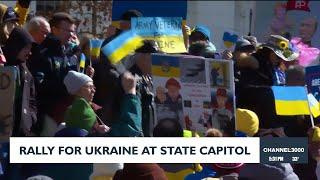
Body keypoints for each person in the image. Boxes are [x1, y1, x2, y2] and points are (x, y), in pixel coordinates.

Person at [36, 12, 79, 136]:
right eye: (67, 30)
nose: (71, 35)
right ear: (54, 29)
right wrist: (64, 85)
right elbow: (39, 83)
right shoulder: (43, 53)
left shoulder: (67, 52)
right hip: (48, 114)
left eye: (73, 31)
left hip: (65, 112)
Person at [55, 71, 110, 137]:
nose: (94, 90)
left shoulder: (84, 105)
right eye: (90, 87)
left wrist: (97, 127)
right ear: (78, 90)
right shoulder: (79, 107)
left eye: (94, 87)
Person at [2, 27, 36, 137]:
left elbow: (32, 98)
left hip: (21, 128)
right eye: (26, 48)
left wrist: (31, 117)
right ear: (17, 46)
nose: (29, 53)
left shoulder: (26, 71)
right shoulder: (3, 67)